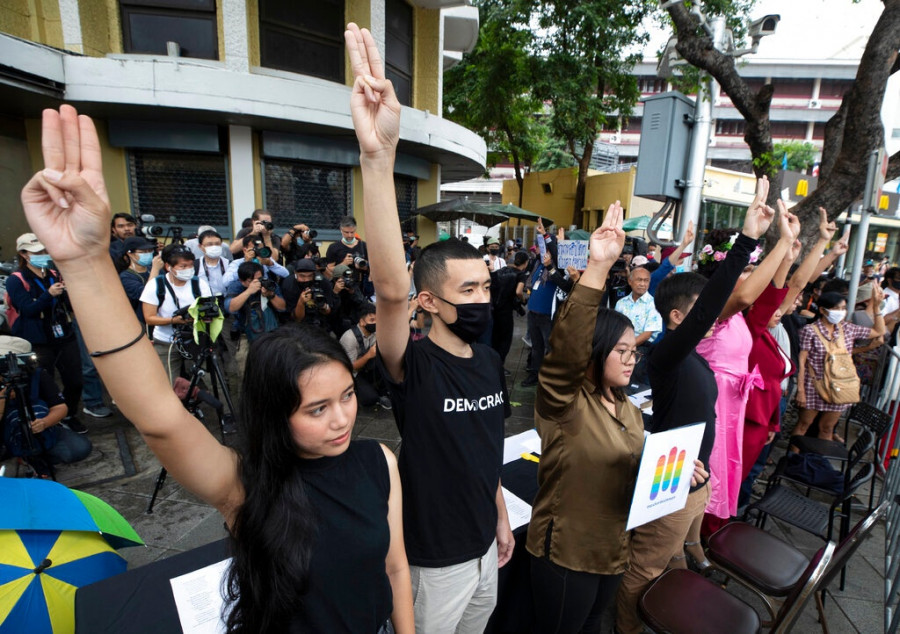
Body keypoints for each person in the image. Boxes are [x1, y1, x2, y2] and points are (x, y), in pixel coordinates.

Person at [21, 103, 414, 634]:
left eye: (346, 396)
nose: (342, 418)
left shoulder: (378, 461)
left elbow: (393, 567)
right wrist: (85, 261)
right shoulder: (244, 486)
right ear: (275, 412)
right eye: (317, 408)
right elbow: (159, 416)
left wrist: (378, 158)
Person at [346, 23, 513, 633]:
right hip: (430, 563)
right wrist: (378, 157)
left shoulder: (491, 361)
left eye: (486, 288)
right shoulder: (410, 362)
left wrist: (498, 514)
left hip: (483, 549)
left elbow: (485, 453)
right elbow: (389, 288)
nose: (481, 300)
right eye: (466, 291)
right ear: (430, 302)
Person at [528, 203, 703, 633]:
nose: (631, 360)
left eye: (634, 351)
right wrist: (598, 267)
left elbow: (635, 464)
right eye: (620, 351)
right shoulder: (564, 401)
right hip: (567, 554)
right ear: (595, 352)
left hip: (614, 550)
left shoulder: (625, 406)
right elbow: (568, 345)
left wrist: (676, 470)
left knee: (593, 626)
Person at [615, 177, 775, 634]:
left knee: (671, 560)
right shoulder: (667, 354)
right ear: (678, 319)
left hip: (693, 476)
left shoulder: (699, 358)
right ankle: (626, 627)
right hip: (671, 478)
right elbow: (712, 309)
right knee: (645, 567)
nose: (714, 319)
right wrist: (745, 242)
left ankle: (665, 614)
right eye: (704, 311)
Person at [7, 233, 86, 434]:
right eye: (36, 252)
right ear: (24, 254)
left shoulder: (53, 273)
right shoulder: (16, 280)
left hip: (62, 333)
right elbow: (27, 309)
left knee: (75, 379)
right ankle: (49, 420)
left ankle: (69, 414)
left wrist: (69, 291)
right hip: (36, 338)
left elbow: (69, 306)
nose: (42, 254)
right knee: (45, 381)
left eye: (44, 250)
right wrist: (47, 294)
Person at [795, 289, 886, 442]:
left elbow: (879, 331)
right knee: (804, 424)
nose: (841, 312)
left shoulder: (848, 329)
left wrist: (876, 306)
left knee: (827, 428)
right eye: (837, 308)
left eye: (843, 308)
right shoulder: (809, 331)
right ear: (823, 310)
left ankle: (818, 463)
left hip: (840, 386)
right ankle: (792, 459)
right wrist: (800, 390)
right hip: (814, 385)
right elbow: (802, 361)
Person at [0, 336, 92, 477]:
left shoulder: (37, 375)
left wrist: (44, 423)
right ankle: (23, 457)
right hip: (6, 436)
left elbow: (60, 407)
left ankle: (40, 457)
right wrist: (3, 398)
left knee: (79, 449)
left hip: (42, 432)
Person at [140, 243, 213, 384]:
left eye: (191, 265)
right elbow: (149, 318)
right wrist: (173, 320)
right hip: (166, 341)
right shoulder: (155, 285)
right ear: (168, 267)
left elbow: (208, 308)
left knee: (210, 379)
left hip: (197, 338)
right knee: (167, 383)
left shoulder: (200, 283)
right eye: (183, 266)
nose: (188, 270)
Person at [225, 261, 286, 374]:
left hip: (270, 332)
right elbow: (230, 307)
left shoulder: (269, 284)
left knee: (273, 368)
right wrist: (249, 291)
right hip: (245, 334)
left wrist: (271, 295)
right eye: (252, 280)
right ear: (242, 281)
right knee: (244, 367)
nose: (258, 282)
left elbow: (282, 307)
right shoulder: (236, 286)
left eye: (260, 278)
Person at [615, 264, 662, 384]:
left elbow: (647, 334)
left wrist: (628, 349)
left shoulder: (654, 304)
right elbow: (615, 328)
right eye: (639, 280)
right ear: (630, 281)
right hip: (620, 348)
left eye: (646, 280)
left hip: (641, 352)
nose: (642, 284)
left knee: (636, 387)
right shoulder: (621, 303)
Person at [339, 303, 392, 410]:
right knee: (370, 399)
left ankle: (382, 392)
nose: (376, 323)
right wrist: (369, 355)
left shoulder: (374, 332)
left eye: (377, 319)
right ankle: (354, 391)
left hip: (366, 367)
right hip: (351, 373)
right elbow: (351, 367)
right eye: (372, 320)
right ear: (362, 322)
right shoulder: (349, 338)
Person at [490, 251, 528, 370]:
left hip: (494, 310)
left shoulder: (501, 271)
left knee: (495, 338)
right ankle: (499, 366)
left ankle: (492, 363)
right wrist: (523, 300)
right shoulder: (521, 274)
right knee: (505, 340)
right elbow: (518, 291)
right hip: (506, 312)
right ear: (525, 263)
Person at [282, 259, 337, 331]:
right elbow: (296, 318)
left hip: (320, 321)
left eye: (310, 276)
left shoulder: (323, 282)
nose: (306, 279)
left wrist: (322, 305)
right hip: (299, 325)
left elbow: (328, 311)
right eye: (302, 276)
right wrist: (301, 302)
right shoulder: (289, 284)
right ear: (295, 273)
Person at [119, 236, 163, 323]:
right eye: (142, 252)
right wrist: (155, 270)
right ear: (129, 253)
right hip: (140, 321)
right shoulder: (126, 276)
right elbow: (145, 294)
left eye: (149, 251)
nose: (147, 254)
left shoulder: (157, 269)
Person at [223, 234, 289, 287]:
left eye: (260, 248)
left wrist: (270, 264)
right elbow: (226, 282)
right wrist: (245, 264)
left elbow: (286, 274)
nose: (258, 251)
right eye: (254, 248)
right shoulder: (237, 263)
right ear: (245, 250)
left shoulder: (264, 259)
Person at [194, 229, 229, 297]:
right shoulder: (195, 266)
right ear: (200, 247)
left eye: (217, 244)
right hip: (204, 303)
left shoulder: (230, 264)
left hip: (227, 303)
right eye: (209, 244)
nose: (214, 247)